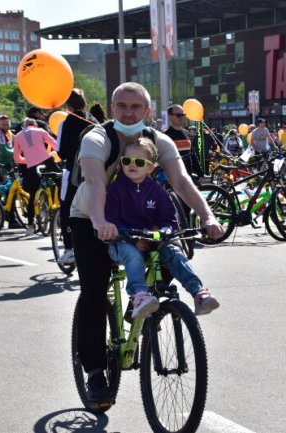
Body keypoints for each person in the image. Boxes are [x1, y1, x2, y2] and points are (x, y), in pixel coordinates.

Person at [69, 82, 223, 403]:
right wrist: (99, 221)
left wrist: (207, 217)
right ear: (112, 109)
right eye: (122, 106)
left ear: (148, 112)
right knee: (94, 291)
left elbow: (181, 181)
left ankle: (142, 305)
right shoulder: (97, 138)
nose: (128, 112)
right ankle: (96, 372)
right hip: (92, 218)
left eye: (136, 107)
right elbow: (95, 180)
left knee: (168, 255)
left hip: (140, 218)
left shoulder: (158, 141)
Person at [106, 138, 219, 319]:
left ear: (150, 168)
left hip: (153, 241)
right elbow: (111, 220)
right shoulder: (115, 190)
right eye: (126, 161)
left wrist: (165, 232)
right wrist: (134, 240)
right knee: (133, 255)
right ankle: (139, 296)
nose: (131, 165)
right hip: (122, 242)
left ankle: (198, 293)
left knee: (174, 252)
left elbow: (169, 220)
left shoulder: (158, 192)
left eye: (139, 162)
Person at [57, 88, 97, 264]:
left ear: (68, 105)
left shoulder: (66, 123)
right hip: (96, 171)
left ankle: (68, 250)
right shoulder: (95, 120)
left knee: (66, 208)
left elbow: (61, 151)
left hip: (73, 172)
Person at [12, 118, 60, 236]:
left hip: (32, 166)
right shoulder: (40, 131)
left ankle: (30, 226)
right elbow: (56, 145)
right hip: (47, 160)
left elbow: (16, 158)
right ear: (35, 125)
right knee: (61, 183)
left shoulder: (17, 136)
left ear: (24, 126)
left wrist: (28, 160)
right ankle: (64, 211)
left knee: (33, 195)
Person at [164, 104, 204, 178]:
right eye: (178, 115)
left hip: (187, 176)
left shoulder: (186, 133)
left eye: (183, 115)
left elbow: (192, 154)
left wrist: (200, 173)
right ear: (170, 117)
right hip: (172, 179)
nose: (182, 117)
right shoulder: (165, 136)